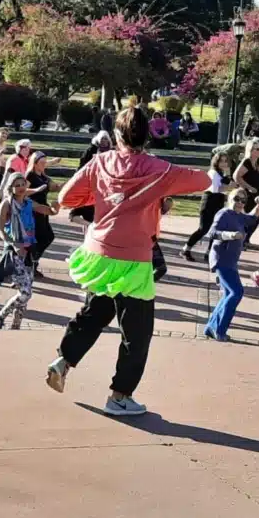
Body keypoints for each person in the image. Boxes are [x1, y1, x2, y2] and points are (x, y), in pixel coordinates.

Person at [45, 106, 211, 416]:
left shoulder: (100, 162)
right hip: (134, 258)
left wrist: (99, 199)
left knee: (96, 311)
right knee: (137, 332)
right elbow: (202, 180)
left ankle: (63, 360)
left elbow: (66, 198)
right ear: (147, 136)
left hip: (100, 251)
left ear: (117, 135)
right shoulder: (160, 169)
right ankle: (119, 396)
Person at [0, 171, 58, 329]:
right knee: (25, 293)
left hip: (29, 252)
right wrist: (12, 244)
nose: (20, 188)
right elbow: (0, 229)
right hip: (14, 253)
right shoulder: (6, 204)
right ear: (11, 188)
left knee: (25, 295)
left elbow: (46, 210)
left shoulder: (28, 202)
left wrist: (55, 208)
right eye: (16, 185)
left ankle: (16, 326)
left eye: (22, 184)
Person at [203, 188, 259, 342]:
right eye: (237, 198)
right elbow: (212, 232)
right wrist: (230, 235)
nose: (239, 203)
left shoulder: (239, 215)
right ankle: (219, 330)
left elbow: (250, 219)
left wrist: (258, 207)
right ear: (229, 198)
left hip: (230, 261)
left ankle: (211, 327)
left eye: (243, 201)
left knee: (229, 293)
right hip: (222, 259)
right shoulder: (224, 213)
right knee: (236, 292)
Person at [181, 151, 233, 262]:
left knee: (216, 228)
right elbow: (216, 189)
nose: (224, 163)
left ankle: (209, 253)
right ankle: (186, 249)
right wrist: (230, 186)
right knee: (203, 229)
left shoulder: (222, 173)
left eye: (225, 161)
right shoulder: (213, 173)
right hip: (209, 202)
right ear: (216, 161)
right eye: (221, 161)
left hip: (218, 203)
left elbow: (223, 188)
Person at [25, 151, 60, 277]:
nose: (44, 164)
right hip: (33, 209)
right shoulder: (30, 175)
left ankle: (33, 262)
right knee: (42, 237)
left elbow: (55, 187)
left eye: (45, 162)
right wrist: (35, 190)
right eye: (42, 162)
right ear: (34, 163)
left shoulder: (44, 176)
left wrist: (69, 185)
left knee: (48, 237)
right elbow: (23, 191)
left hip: (43, 209)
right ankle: (30, 263)